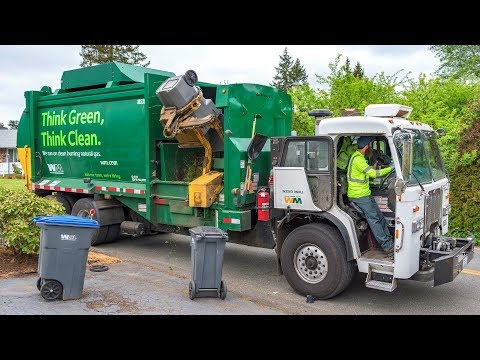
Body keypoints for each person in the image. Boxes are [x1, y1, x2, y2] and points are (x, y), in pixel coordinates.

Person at [346, 136, 394, 255]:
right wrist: (391, 168)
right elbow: (372, 174)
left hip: (364, 194)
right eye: (370, 146)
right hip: (358, 195)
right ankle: (387, 247)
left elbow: (368, 171)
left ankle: (390, 241)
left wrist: (376, 165)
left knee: (379, 216)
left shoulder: (359, 157)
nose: (371, 148)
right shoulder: (358, 159)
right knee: (374, 219)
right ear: (366, 146)